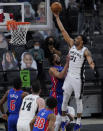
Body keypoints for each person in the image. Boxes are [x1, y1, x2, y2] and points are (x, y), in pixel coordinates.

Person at [53, 12, 98, 129]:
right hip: (69, 76)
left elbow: (89, 59)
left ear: (82, 41)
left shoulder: (85, 50)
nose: (76, 38)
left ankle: (78, 122)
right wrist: (57, 18)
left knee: (78, 99)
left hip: (78, 78)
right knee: (65, 97)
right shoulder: (72, 44)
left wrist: (92, 65)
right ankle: (63, 120)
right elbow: (63, 31)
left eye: (78, 38)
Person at [49, 53, 69, 131]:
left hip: (63, 94)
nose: (58, 57)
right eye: (55, 57)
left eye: (58, 56)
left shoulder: (63, 68)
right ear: (53, 60)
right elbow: (60, 76)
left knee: (65, 118)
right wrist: (67, 63)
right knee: (56, 118)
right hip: (55, 94)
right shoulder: (52, 69)